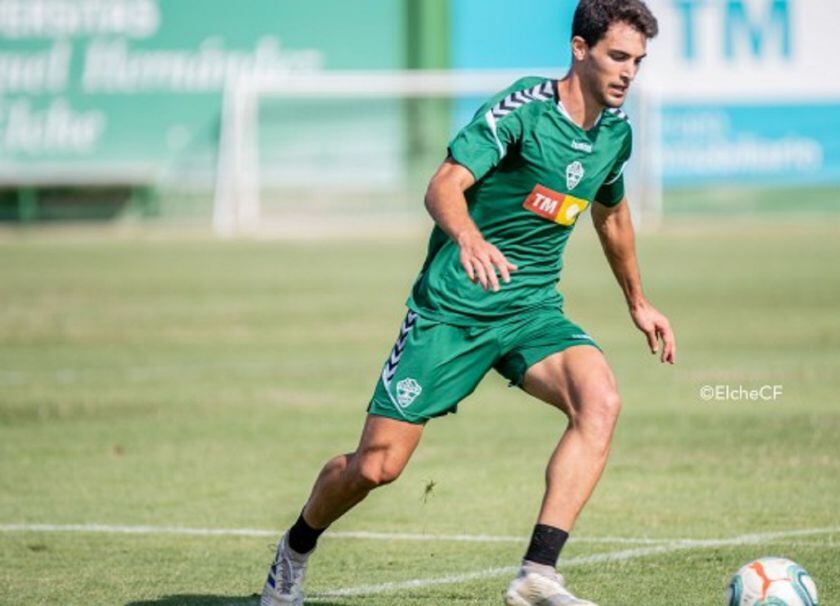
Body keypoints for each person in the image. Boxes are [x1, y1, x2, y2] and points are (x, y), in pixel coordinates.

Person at [261, 1, 669, 604]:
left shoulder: (615, 134)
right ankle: (295, 548)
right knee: (377, 466)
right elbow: (444, 185)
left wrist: (639, 301)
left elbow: (611, 217)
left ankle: (538, 572)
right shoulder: (524, 109)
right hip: (453, 309)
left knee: (600, 400)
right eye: (617, 56)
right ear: (580, 49)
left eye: (638, 60)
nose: (629, 71)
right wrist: (470, 237)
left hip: (530, 310)